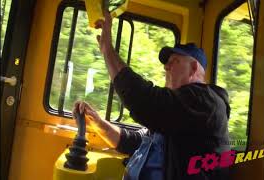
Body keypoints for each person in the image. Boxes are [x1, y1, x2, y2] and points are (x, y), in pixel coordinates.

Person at [73, 11, 231, 180]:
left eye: (174, 62)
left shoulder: (205, 101)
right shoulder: (177, 112)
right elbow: (132, 141)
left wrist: (107, 50)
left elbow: (143, 100)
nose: (166, 68)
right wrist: (97, 122)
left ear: (193, 69)